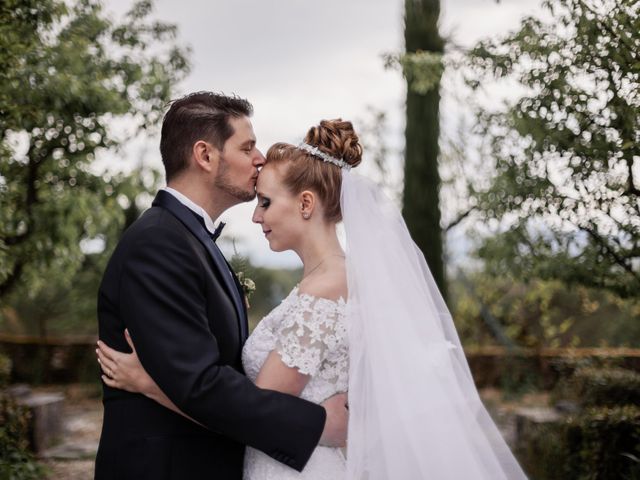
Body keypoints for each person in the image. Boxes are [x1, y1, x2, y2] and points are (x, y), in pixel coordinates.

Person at [98, 118, 528, 479]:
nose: (256, 214)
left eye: (266, 202)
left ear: (306, 203)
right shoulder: (333, 281)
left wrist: (153, 385)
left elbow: (251, 412)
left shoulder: (325, 290)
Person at [94, 92, 348, 480]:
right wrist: (318, 424)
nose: (259, 158)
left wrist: (152, 383)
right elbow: (200, 385)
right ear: (205, 156)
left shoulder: (188, 239)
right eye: (247, 147)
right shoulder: (159, 243)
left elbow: (208, 378)